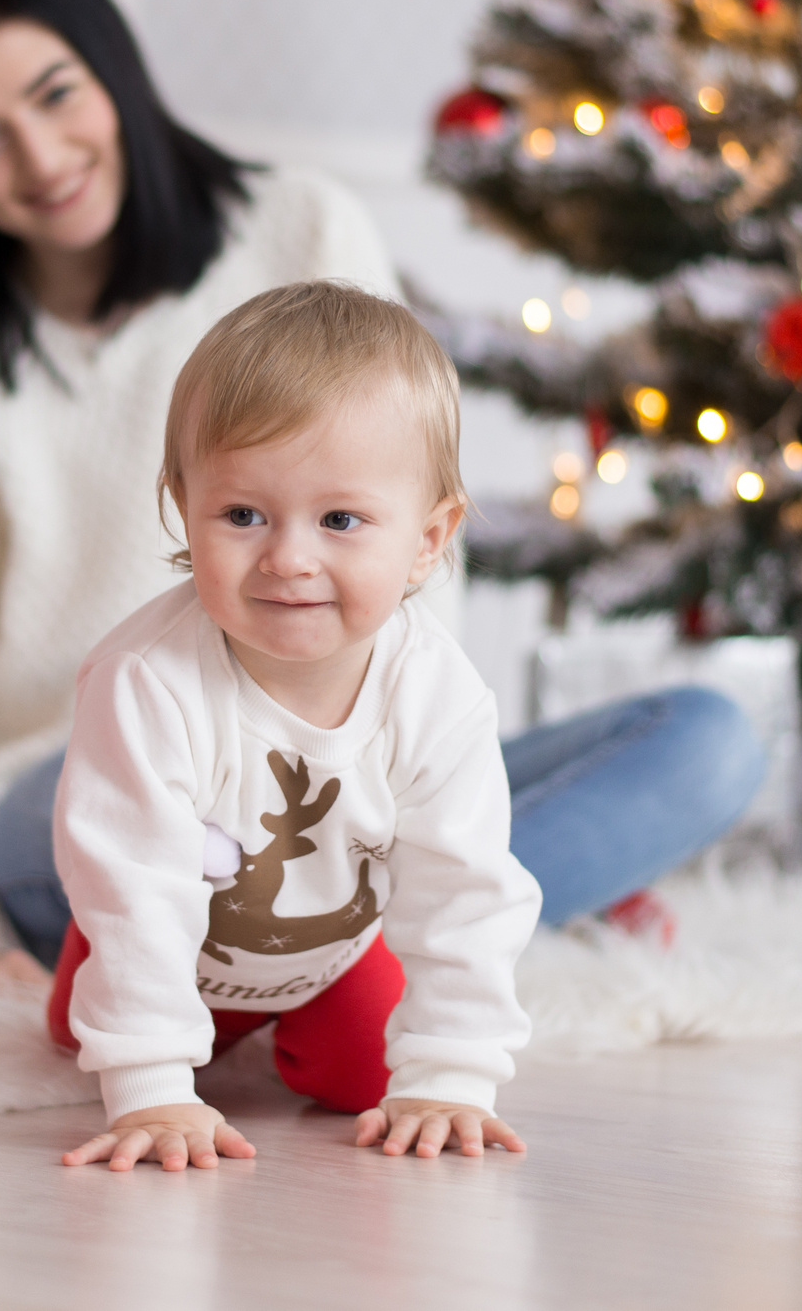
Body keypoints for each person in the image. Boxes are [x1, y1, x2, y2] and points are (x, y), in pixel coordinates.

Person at [0, 0, 763, 999]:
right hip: (95, 784)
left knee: (706, 740)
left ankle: (318, 964)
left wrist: (395, 748)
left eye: (55, 94)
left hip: (335, 747)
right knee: (115, 790)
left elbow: (403, 524)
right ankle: (446, 932)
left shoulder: (300, 224)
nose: (40, 158)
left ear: (112, 72)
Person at [50, 283, 538, 1171]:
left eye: (341, 520)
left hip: (328, 956)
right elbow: (135, 890)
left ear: (430, 538)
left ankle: (288, 1028)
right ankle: (110, 997)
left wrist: (453, 1075)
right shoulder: (146, 680)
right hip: (171, 931)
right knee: (80, 1031)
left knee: (365, 1079)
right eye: (242, 515)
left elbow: (462, 887)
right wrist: (152, 1085)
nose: (288, 558)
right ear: (182, 506)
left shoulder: (436, 692)